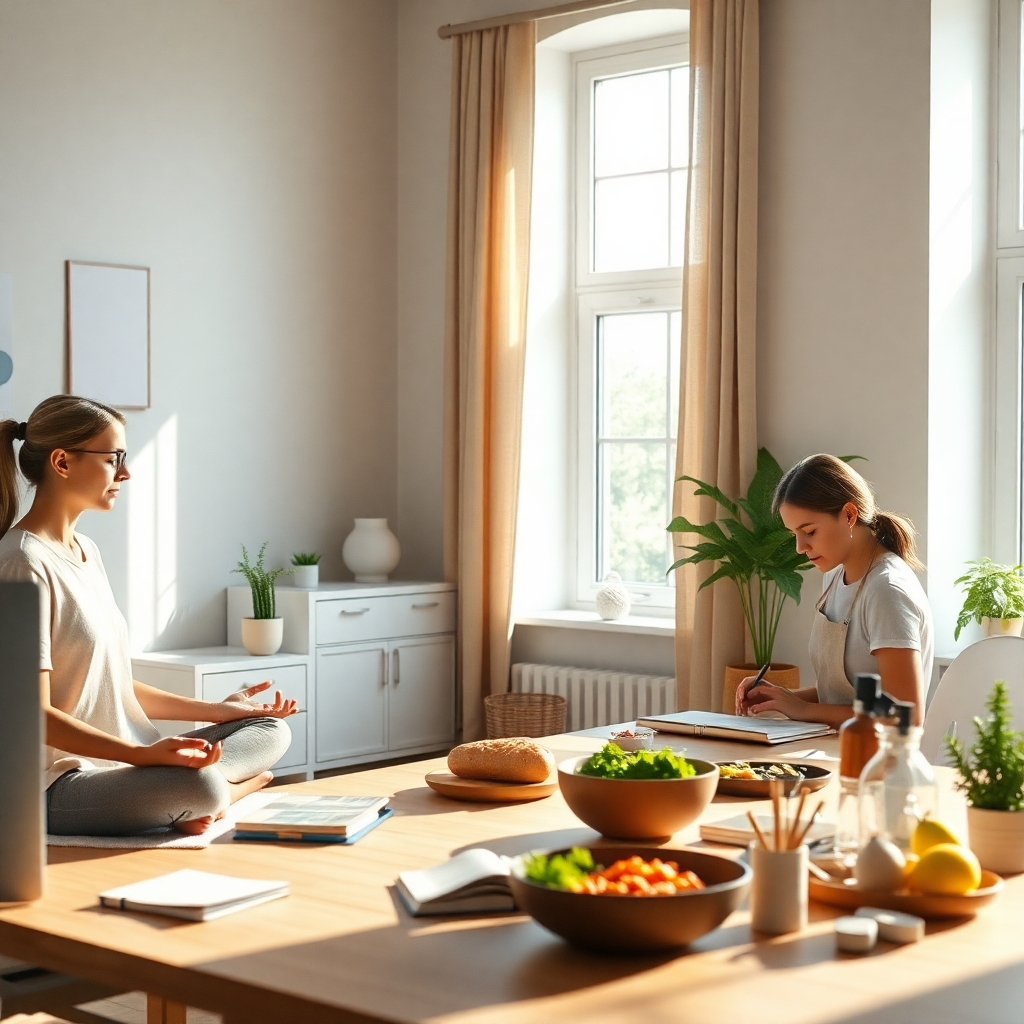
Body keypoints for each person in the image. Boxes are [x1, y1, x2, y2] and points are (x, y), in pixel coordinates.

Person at [0, 395, 296, 837]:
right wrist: (140, 757)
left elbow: (110, 683)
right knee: (200, 786)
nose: (125, 472)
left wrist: (219, 712)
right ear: (62, 462)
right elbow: (32, 712)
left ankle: (199, 797)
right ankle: (218, 795)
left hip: (126, 763)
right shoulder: (21, 563)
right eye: (113, 458)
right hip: (56, 784)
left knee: (268, 729)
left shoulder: (86, 552)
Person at [736, 454, 933, 728]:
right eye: (795, 534)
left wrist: (802, 710)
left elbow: (904, 716)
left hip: (875, 762)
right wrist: (778, 698)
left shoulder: (887, 591)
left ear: (849, 515)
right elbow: (842, 694)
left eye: (810, 531)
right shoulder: (834, 575)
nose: (800, 547)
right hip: (829, 748)